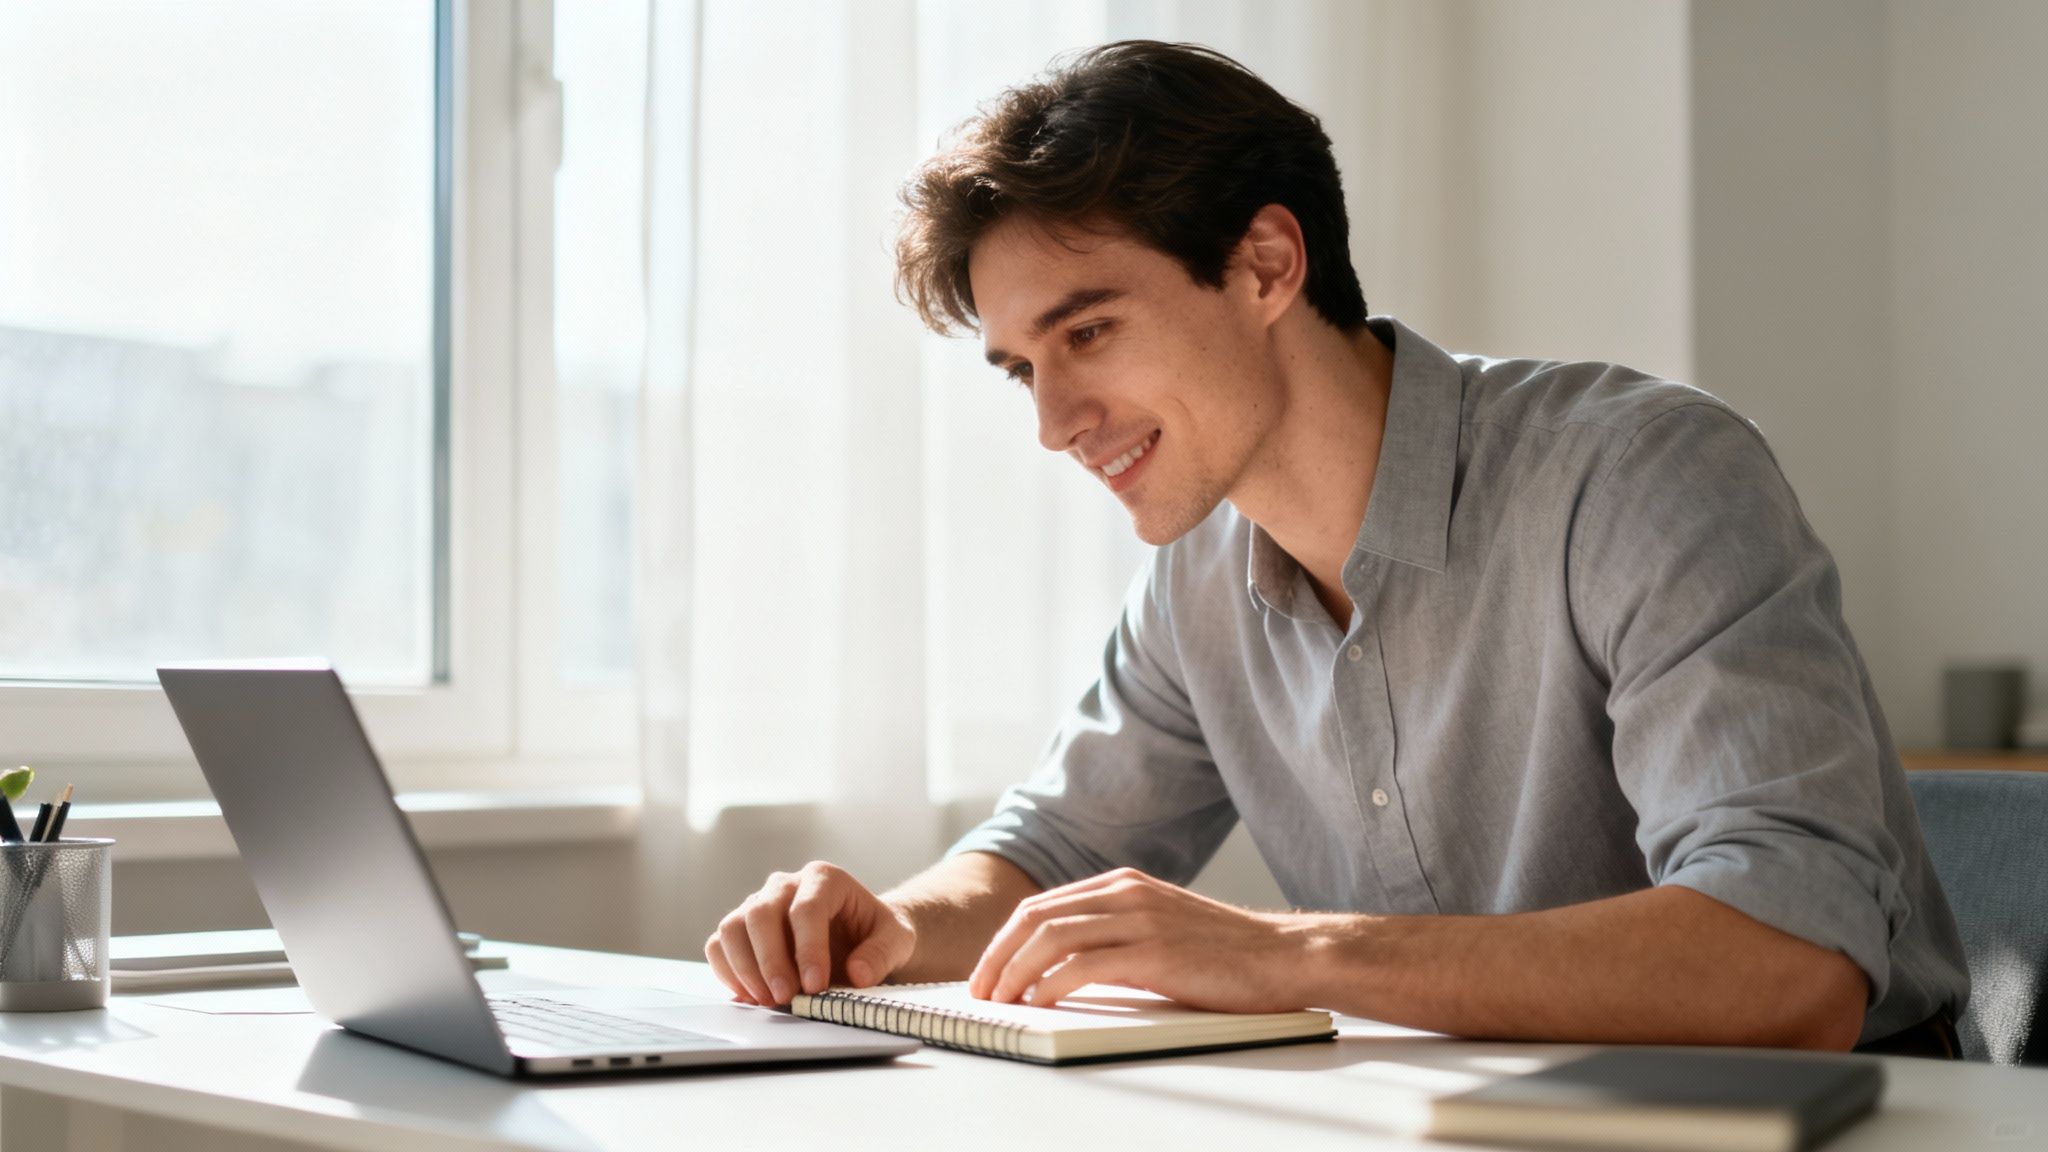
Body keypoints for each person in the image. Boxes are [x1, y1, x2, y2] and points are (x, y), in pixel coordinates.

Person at [705, 40, 1968, 1054]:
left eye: (1086, 334)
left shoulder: (1640, 478)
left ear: (1263, 264)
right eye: (1020, 369)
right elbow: (1050, 861)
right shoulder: (1198, 575)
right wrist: (882, 922)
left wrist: (1274, 954)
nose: (1050, 425)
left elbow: (1788, 965)